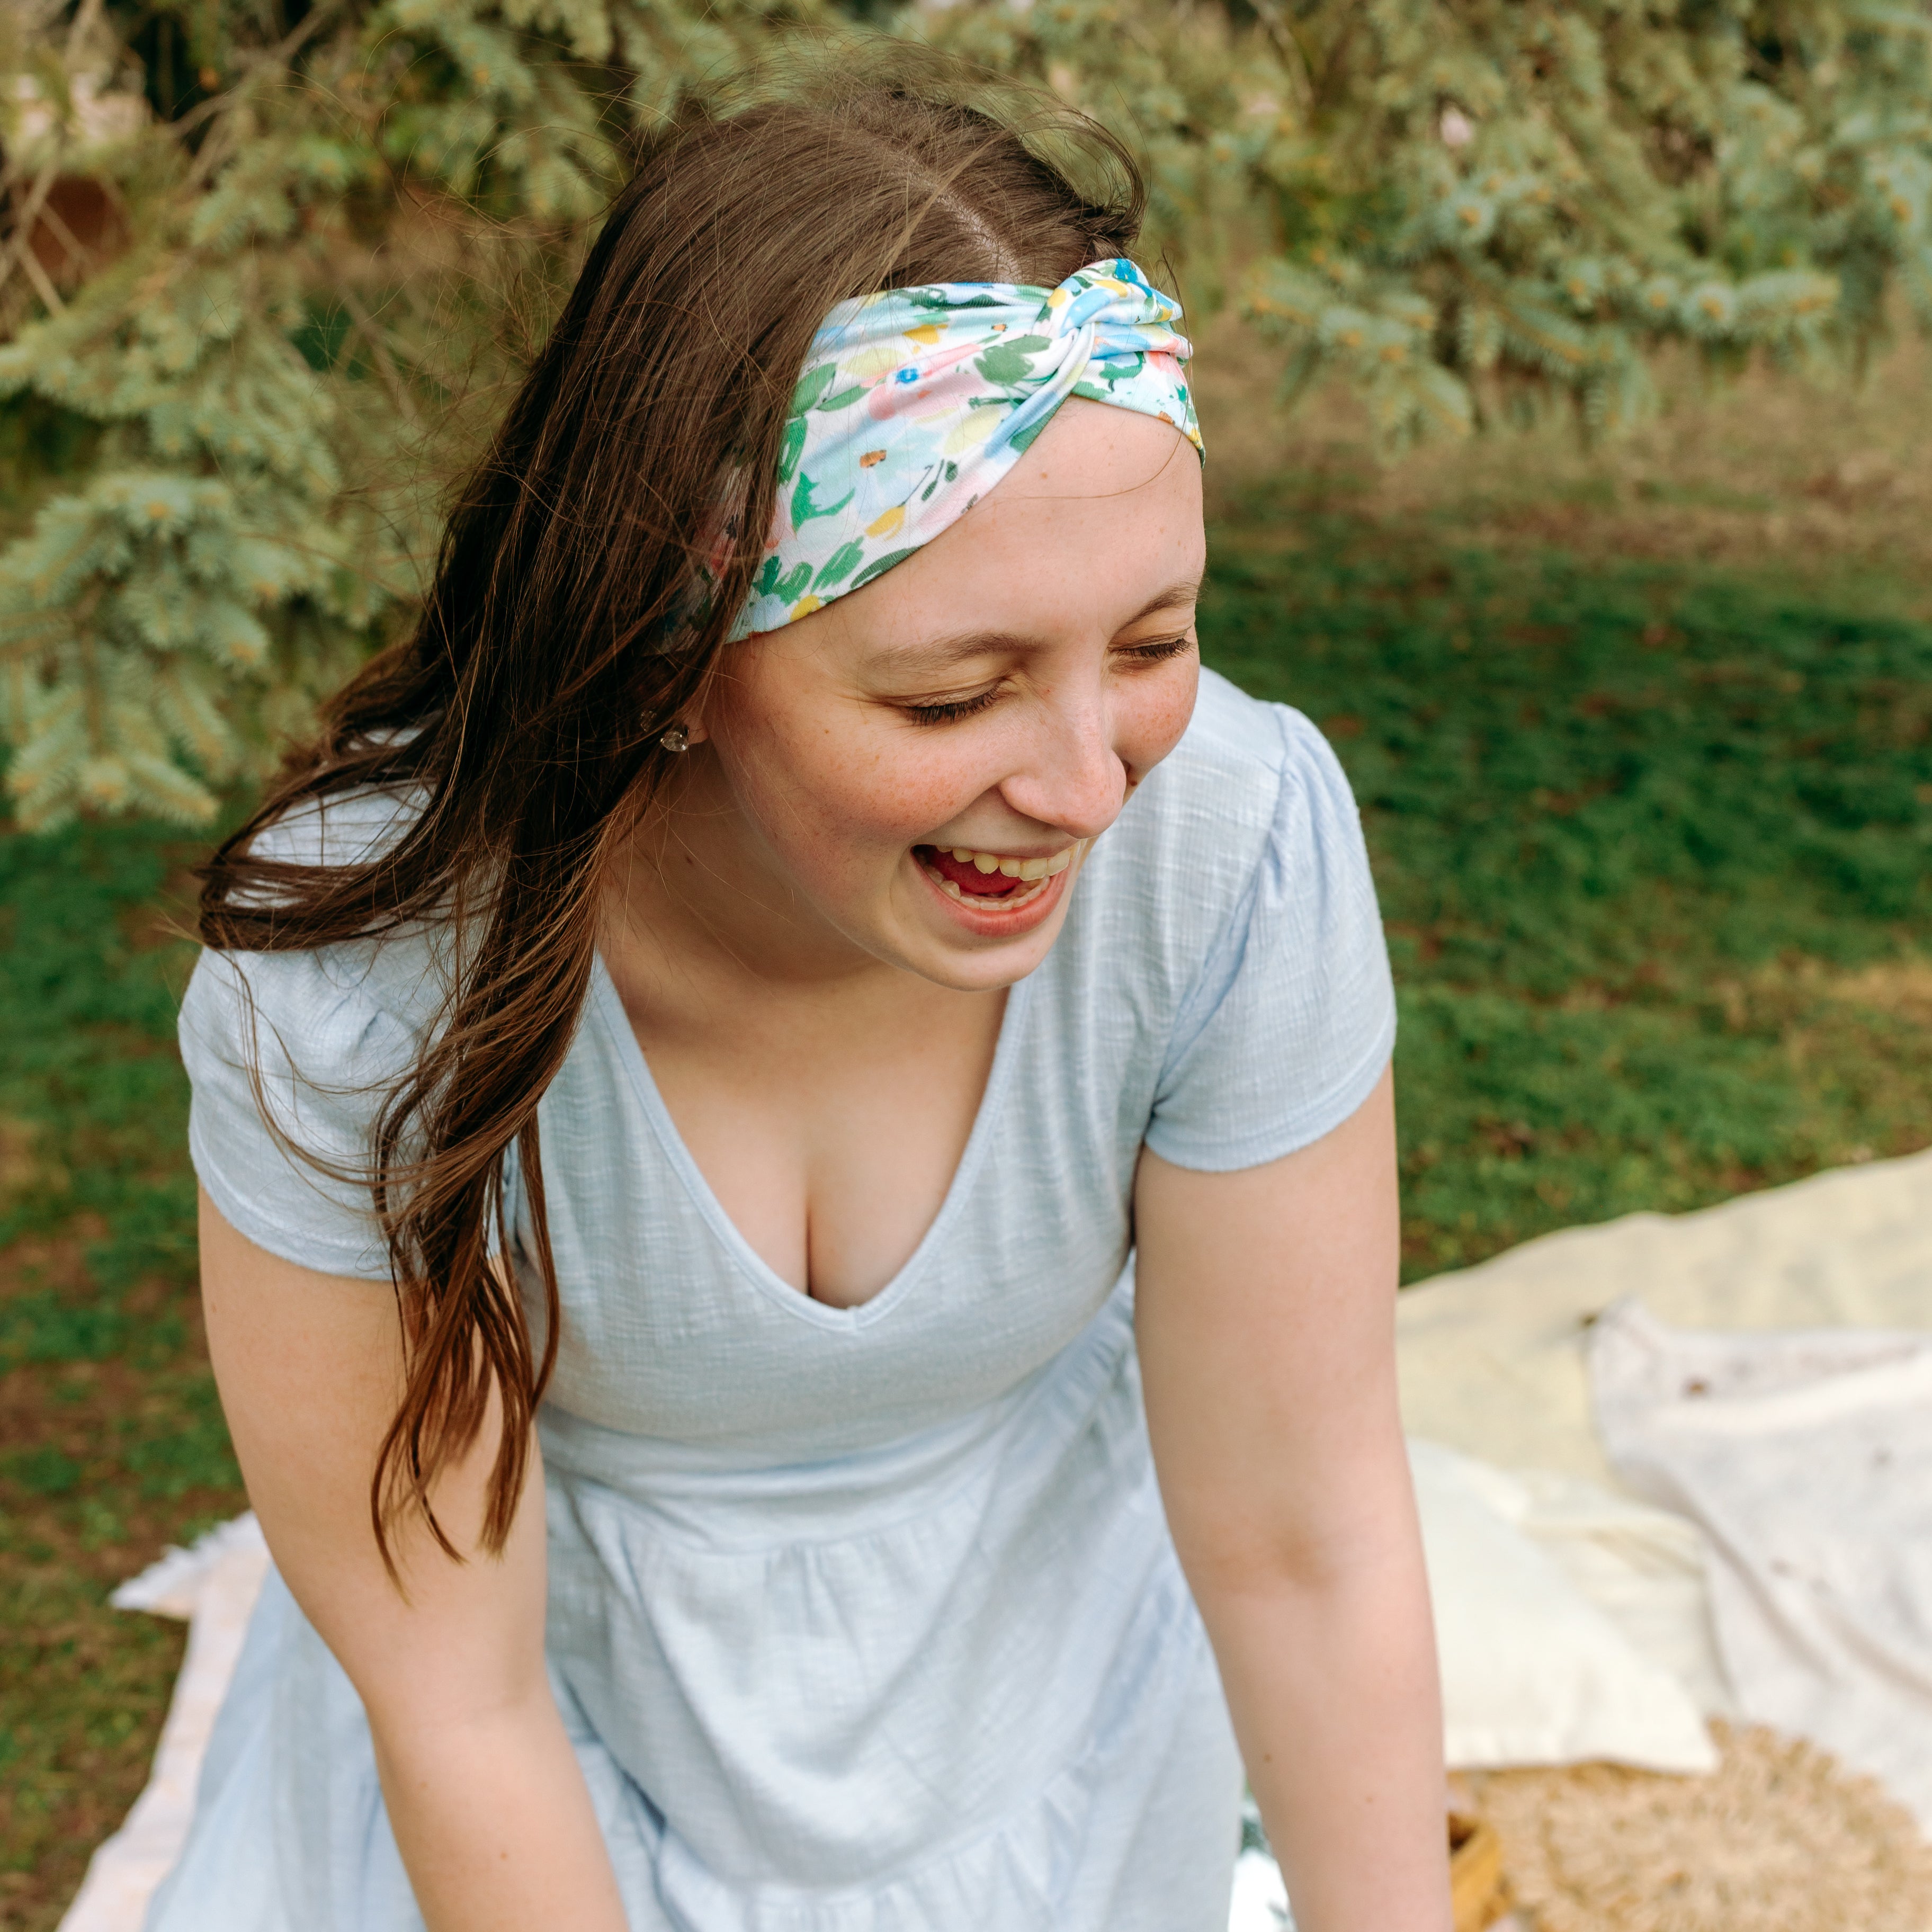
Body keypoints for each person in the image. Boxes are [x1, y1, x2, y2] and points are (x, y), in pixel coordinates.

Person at [156, 65, 1451, 1932]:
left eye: (1153, 643)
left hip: (1062, 1773)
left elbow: (1305, 1550)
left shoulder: (1229, 850)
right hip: (539, 1819)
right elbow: (461, 1706)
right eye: (952, 697)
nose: (1089, 783)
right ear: (676, 646)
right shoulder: (362, 987)